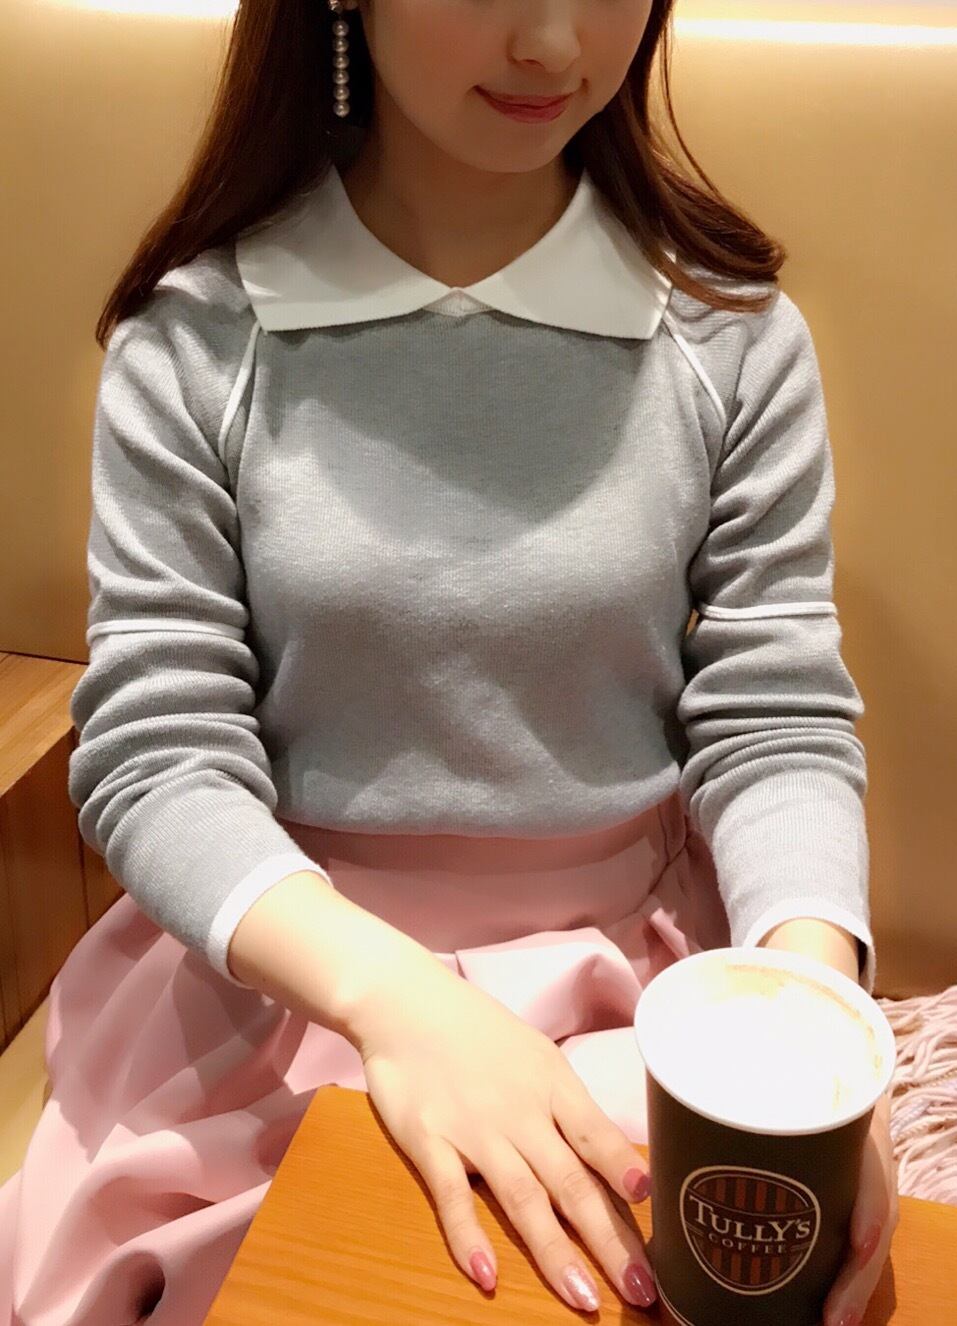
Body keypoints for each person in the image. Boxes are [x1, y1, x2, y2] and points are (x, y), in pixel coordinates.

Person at [0, 0, 899, 1321]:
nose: (554, 48)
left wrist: (807, 1035)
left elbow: (773, 718)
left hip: (630, 988)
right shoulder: (198, 338)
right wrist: (398, 1002)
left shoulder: (729, 335)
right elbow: (157, 750)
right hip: (291, 979)